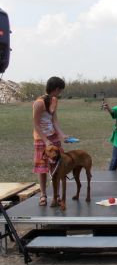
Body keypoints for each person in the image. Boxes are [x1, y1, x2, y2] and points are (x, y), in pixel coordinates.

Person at [33, 76, 68, 206]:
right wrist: (45, 140)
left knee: (57, 167)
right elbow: (36, 124)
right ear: (56, 89)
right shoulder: (39, 103)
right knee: (42, 168)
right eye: (60, 90)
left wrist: (62, 135)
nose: (60, 93)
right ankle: (43, 195)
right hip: (41, 138)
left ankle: (57, 194)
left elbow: (54, 121)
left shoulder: (54, 100)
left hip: (53, 137)